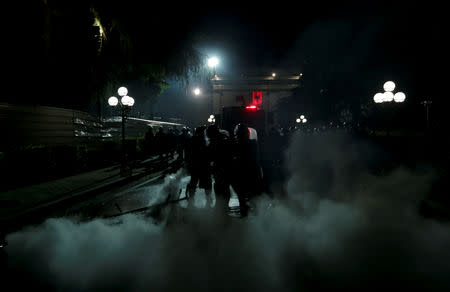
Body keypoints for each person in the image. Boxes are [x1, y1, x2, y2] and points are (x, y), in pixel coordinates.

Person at [231, 123, 263, 217]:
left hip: (241, 173)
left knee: (242, 195)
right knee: (252, 195)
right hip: (250, 172)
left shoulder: (235, 145)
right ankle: (254, 213)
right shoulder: (253, 143)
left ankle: (246, 212)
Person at [206, 124, 232, 212]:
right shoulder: (221, 138)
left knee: (221, 187)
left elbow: (211, 154)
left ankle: (222, 206)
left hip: (222, 167)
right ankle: (222, 205)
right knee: (221, 186)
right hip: (222, 167)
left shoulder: (219, 140)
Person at [185, 125, 213, 206]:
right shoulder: (205, 141)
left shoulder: (192, 140)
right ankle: (208, 201)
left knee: (193, 182)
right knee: (207, 184)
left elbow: (188, 153)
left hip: (195, 165)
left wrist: (188, 163)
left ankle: (191, 200)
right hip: (203, 165)